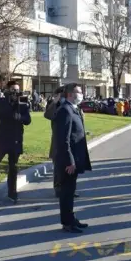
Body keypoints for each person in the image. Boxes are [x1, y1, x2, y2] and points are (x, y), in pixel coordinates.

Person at [0, 81, 31, 203]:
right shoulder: (2, 101)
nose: (16, 92)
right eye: (13, 90)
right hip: (3, 139)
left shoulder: (22, 101)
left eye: (17, 90)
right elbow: (2, 114)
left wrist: (19, 112)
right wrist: (13, 104)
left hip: (16, 139)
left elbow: (27, 119)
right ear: (8, 90)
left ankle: (12, 192)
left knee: (13, 167)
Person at [53, 83, 91, 233]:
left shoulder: (72, 109)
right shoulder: (65, 111)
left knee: (70, 190)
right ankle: (67, 222)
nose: (81, 94)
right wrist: (69, 161)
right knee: (67, 192)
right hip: (69, 160)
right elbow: (63, 139)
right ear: (70, 94)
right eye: (78, 92)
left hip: (75, 158)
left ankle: (71, 218)